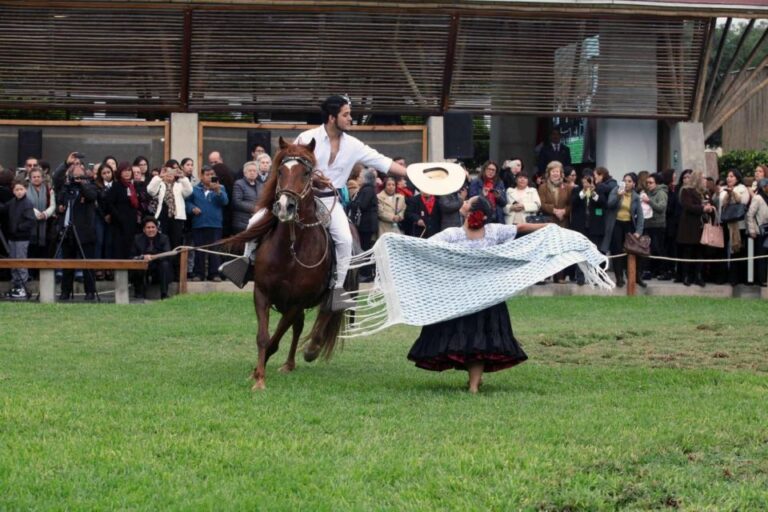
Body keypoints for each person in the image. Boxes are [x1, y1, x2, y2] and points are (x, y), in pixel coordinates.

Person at [220, 94, 407, 309]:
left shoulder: (354, 145)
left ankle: (337, 288)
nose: (350, 119)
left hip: (330, 203)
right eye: (346, 115)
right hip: (300, 198)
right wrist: (315, 178)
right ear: (331, 117)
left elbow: (383, 162)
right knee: (254, 221)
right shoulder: (306, 137)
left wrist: (411, 173)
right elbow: (291, 165)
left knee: (345, 240)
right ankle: (245, 262)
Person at [407, 196, 547, 394]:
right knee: (478, 341)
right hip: (480, 298)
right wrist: (549, 226)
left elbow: (426, 247)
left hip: (469, 298)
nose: (462, 203)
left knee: (472, 340)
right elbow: (521, 228)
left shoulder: (457, 234)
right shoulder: (485, 232)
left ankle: (474, 383)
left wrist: (550, 228)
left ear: (470, 212)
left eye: (466, 203)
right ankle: (474, 383)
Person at [56, 161, 99, 300]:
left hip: (84, 232)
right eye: (73, 168)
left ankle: (90, 292)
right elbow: (60, 198)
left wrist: (82, 184)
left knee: (88, 263)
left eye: (80, 167)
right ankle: (65, 291)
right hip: (67, 231)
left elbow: (92, 196)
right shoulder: (66, 187)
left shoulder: (90, 185)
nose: (77, 168)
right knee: (67, 264)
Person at [186, 166, 229, 281]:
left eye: (212, 174)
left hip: (215, 224)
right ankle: (198, 274)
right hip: (199, 223)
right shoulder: (194, 189)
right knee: (199, 250)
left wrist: (218, 191)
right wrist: (192, 208)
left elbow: (225, 201)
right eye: (208, 174)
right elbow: (187, 203)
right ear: (201, 176)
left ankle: (214, 274)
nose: (210, 177)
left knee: (214, 250)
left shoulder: (221, 188)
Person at [146, 163, 193, 268]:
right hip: (162, 218)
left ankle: (176, 271)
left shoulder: (179, 185)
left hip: (177, 218)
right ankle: (162, 268)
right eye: (167, 171)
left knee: (176, 244)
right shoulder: (160, 184)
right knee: (162, 243)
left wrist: (183, 177)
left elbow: (189, 191)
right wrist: (159, 176)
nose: (170, 174)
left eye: (172, 172)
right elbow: (150, 190)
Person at [677, 170, 715, 287]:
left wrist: (711, 208)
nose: (705, 180)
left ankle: (698, 276)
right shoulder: (686, 191)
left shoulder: (705, 192)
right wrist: (703, 208)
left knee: (700, 252)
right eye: (703, 178)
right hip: (689, 227)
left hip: (702, 227)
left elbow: (710, 204)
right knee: (688, 251)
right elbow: (688, 206)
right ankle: (686, 276)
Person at [0, 180, 36, 298]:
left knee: (21, 261)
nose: (19, 192)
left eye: (21, 189)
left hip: (22, 238)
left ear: (25, 189)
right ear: (13, 191)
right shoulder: (12, 202)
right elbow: (4, 209)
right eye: (16, 190)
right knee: (13, 262)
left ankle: (23, 287)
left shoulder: (27, 203)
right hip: (12, 238)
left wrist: (18, 228)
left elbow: (30, 221)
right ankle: (16, 286)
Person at [609, 173, 645, 288]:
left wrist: (638, 231)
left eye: (629, 181)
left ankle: (634, 276)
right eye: (625, 181)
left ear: (634, 184)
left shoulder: (635, 196)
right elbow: (609, 204)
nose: (627, 183)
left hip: (629, 224)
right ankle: (619, 277)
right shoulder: (616, 190)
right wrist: (619, 196)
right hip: (616, 224)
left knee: (632, 251)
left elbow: (640, 215)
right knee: (617, 250)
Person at [538, 161, 573, 283]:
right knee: (548, 248)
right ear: (549, 173)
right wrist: (554, 210)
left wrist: (564, 211)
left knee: (561, 249)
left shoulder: (568, 187)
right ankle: (546, 274)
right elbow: (542, 204)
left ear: (561, 173)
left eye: (557, 171)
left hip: (563, 222)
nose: (555, 174)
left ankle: (560, 276)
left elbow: (571, 204)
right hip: (549, 221)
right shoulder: (543, 187)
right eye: (553, 171)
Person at [568, 170, 604, 285]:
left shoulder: (599, 189)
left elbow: (603, 203)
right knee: (580, 252)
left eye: (590, 180)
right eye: (585, 180)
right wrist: (583, 191)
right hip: (580, 226)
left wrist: (593, 192)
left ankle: (595, 277)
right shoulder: (576, 190)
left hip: (594, 226)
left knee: (594, 252)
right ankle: (580, 277)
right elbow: (573, 202)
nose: (587, 183)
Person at [104, 162, 145, 259]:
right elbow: (109, 204)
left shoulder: (132, 186)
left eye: (129, 171)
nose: (127, 173)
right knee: (119, 248)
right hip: (119, 223)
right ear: (119, 173)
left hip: (132, 222)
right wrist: (119, 217)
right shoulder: (116, 186)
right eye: (124, 171)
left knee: (130, 247)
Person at [719, 169, 750, 286]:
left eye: (731, 176)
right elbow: (722, 202)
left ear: (737, 178)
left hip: (739, 225)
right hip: (726, 224)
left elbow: (744, 201)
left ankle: (737, 277)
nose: (729, 178)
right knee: (726, 251)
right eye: (727, 176)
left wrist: (733, 193)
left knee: (738, 251)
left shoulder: (742, 188)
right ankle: (727, 276)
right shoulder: (723, 189)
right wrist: (728, 193)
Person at [130, 217, 173, 299]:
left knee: (165, 264)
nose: (151, 230)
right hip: (143, 265)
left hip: (158, 265)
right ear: (144, 229)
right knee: (137, 265)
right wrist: (143, 257)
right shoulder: (137, 239)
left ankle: (164, 294)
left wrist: (153, 257)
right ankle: (139, 292)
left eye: (153, 227)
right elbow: (132, 256)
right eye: (148, 227)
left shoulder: (164, 238)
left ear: (157, 229)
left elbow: (167, 255)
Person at [353, 168, 379, 282]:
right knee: (365, 247)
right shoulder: (367, 189)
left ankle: (366, 273)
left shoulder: (367, 190)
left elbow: (362, 205)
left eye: (360, 177)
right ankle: (366, 272)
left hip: (366, 224)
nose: (359, 179)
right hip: (366, 224)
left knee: (365, 248)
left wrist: (352, 203)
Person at [643, 173, 669, 280]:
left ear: (657, 183)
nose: (648, 184)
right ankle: (652, 271)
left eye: (651, 182)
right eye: (647, 182)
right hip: (649, 224)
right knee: (651, 249)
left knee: (659, 249)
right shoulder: (649, 192)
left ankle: (664, 271)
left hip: (658, 225)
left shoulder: (661, 193)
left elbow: (661, 207)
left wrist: (649, 201)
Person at [26, 168, 56, 259]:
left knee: (45, 252)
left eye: (38, 176)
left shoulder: (49, 189)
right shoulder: (25, 189)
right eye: (34, 177)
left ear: (42, 178)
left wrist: (45, 214)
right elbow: (26, 205)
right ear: (30, 178)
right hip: (30, 225)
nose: (36, 178)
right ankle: (31, 273)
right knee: (31, 251)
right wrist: (36, 214)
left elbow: (53, 205)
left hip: (46, 225)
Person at [746, 178, 768, 287]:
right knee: (761, 256)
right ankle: (762, 279)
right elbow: (750, 215)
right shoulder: (758, 198)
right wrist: (752, 230)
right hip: (761, 231)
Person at [232, 161, 264, 233]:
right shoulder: (239, 184)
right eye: (250, 171)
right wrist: (254, 208)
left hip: (256, 221)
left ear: (257, 173)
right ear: (245, 173)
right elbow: (237, 202)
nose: (252, 173)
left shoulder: (261, 185)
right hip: (242, 222)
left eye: (254, 171)